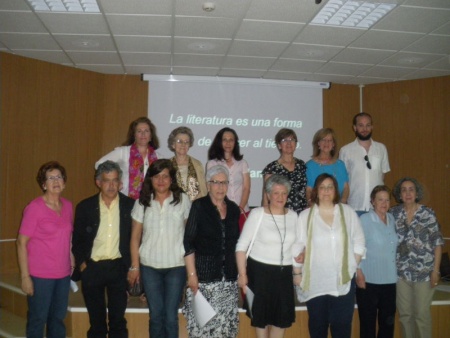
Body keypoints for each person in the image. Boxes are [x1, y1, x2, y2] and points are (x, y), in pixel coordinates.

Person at [293, 173, 365, 338]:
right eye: (322, 187)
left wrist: (352, 265)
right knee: (318, 329)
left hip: (342, 283)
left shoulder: (347, 212)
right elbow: (298, 246)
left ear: (336, 190)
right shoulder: (305, 216)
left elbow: (359, 241)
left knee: (342, 328)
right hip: (316, 283)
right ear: (316, 191)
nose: (326, 191)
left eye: (330, 187)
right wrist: (297, 273)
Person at [128, 159, 191, 338]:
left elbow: (190, 236)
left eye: (165, 176)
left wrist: (191, 269)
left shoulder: (183, 200)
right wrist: (135, 266)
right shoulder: (142, 202)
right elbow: (134, 238)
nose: (161, 180)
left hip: (176, 266)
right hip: (149, 267)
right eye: (157, 176)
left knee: (171, 317)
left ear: (172, 179)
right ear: (150, 179)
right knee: (156, 316)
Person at [72, 160, 135, 338]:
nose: (111, 185)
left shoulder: (130, 206)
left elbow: (136, 239)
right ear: (98, 182)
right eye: (107, 180)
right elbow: (78, 241)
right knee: (96, 323)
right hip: (93, 268)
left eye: (115, 180)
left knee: (118, 322)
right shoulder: (85, 207)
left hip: (118, 268)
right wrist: (83, 265)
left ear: (120, 183)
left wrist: (131, 267)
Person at [236, 175, 298, 338]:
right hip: (260, 275)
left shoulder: (293, 216)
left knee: (281, 321)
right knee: (261, 322)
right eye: (276, 193)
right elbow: (241, 246)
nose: (280, 197)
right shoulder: (257, 214)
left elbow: (297, 246)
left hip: (284, 276)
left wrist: (301, 258)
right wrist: (243, 275)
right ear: (268, 195)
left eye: (284, 193)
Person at [182, 165, 240, 338]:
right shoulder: (199, 207)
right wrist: (192, 275)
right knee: (204, 332)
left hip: (228, 282)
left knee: (226, 331)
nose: (221, 187)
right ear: (208, 185)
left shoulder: (234, 209)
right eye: (216, 182)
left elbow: (236, 243)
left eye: (224, 182)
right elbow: (188, 242)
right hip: (204, 282)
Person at [17, 161, 73, 338]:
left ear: (64, 182)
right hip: (40, 276)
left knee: (57, 319)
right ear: (43, 184)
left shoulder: (68, 206)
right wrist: (25, 277)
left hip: (63, 274)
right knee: (38, 319)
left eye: (59, 177)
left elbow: (68, 235)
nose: (56, 181)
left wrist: (70, 255)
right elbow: (21, 243)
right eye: (50, 178)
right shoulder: (34, 208)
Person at [390, 177, 444, 338]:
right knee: (405, 315)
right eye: (404, 190)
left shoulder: (427, 213)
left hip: (424, 272)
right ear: (399, 194)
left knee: (421, 314)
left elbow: (437, 243)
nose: (407, 193)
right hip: (401, 273)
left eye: (411, 189)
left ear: (417, 192)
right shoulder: (393, 213)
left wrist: (436, 270)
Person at [356, 185, 398, 338]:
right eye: (380, 199)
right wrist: (358, 272)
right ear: (373, 201)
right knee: (368, 326)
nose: (384, 203)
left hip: (390, 280)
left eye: (387, 200)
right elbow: (357, 247)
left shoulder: (392, 219)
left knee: (388, 324)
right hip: (369, 281)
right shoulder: (365, 219)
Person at [95, 117, 162, 200]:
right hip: (126, 201)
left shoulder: (158, 157)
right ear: (134, 135)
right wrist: (116, 181)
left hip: (151, 202)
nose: (143, 134)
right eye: (139, 131)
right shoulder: (123, 152)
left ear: (151, 135)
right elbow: (99, 164)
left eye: (146, 131)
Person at [339, 112, 390, 215]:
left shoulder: (381, 149)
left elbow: (382, 175)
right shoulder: (345, 150)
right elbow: (344, 180)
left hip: (377, 207)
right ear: (354, 127)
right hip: (354, 206)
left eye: (368, 125)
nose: (364, 129)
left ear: (372, 127)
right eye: (361, 125)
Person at [207, 127, 250, 225]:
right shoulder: (212, 164)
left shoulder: (242, 163)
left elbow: (246, 188)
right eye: (224, 140)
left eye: (231, 140)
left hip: (242, 211)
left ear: (235, 143)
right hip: (221, 211)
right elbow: (211, 188)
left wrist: (240, 209)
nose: (228, 143)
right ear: (219, 142)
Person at [262, 128, 307, 214]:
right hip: (281, 214)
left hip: (302, 214)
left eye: (292, 140)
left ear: (296, 144)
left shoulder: (302, 165)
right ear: (279, 145)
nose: (289, 143)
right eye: (284, 140)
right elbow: (266, 197)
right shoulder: (271, 168)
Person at [306, 128, 349, 206]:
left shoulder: (340, 164)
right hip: (317, 208)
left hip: (338, 207)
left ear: (333, 144)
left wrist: (342, 204)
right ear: (318, 143)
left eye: (330, 140)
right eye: (323, 140)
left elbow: (346, 187)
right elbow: (308, 190)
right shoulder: (310, 165)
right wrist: (312, 206)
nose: (326, 143)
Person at [167, 126, 207, 200]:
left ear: (189, 145)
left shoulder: (197, 164)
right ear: (173, 144)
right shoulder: (166, 165)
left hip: (194, 208)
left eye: (186, 142)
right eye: (180, 141)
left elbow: (203, 190)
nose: (183, 145)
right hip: (173, 207)